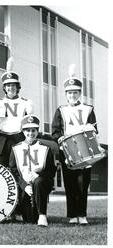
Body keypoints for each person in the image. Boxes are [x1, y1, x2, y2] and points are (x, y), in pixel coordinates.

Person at [51, 65, 98, 225]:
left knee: (83, 184)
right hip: (68, 151)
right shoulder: (61, 110)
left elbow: (94, 129)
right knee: (70, 184)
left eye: (75, 92)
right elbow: (55, 131)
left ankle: (82, 214)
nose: (72, 95)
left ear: (80, 93)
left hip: (86, 150)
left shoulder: (88, 109)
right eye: (70, 92)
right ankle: (72, 215)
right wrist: (61, 139)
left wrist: (88, 130)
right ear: (66, 94)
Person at [9, 115, 57, 226]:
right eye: (28, 131)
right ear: (23, 132)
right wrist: (24, 185)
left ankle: (42, 216)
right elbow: (13, 171)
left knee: (39, 182)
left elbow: (52, 170)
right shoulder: (16, 148)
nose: (31, 133)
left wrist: (39, 174)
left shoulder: (45, 148)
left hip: (41, 183)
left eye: (33, 130)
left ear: (37, 131)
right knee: (29, 219)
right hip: (24, 186)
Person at [0, 57, 33, 167]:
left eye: (13, 85)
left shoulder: (26, 103)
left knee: (19, 171)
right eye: (8, 85)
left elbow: (30, 124)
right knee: (2, 174)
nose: (11, 88)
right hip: (2, 143)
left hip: (19, 140)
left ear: (18, 87)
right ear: (4, 87)